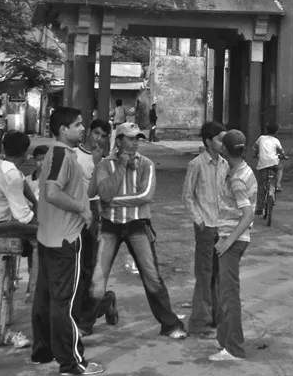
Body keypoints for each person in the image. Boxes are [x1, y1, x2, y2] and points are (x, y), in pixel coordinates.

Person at [92, 122, 186, 340]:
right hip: (110, 226)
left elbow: (145, 196)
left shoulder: (147, 164)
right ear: (119, 141)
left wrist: (111, 202)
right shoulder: (105, 164)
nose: (135, 143)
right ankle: (86, 323)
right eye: (130, 138)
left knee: (152, 276)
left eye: (137, 138)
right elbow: (104, 192)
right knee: (98, 275)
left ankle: (170, 324)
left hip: (137, 225)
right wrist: (122, 166)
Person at [30, 106, 103, 376]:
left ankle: (43, 350)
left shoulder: (55, 154)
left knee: (47, 298)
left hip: (50, 236)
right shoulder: (61, 155)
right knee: (65, 303)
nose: (83, 129)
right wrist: (82, 209)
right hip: (65, 239)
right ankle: (72, 362)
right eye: (78, 125)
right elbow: (51, 193)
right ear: (63, 129)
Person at [208, 129, 257, 361]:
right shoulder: (243, 170)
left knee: (229, 295)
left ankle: (234, 348)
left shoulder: (237, 179)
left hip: (232, 239)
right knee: (224, 291)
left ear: (226, 150)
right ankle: (224, 340)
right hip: (235, 238)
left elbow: (247, 214)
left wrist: (226, 242)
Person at [182, 120, 228, 336]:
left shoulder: (225, 165)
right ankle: (200, 322)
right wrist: (199, 221)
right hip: (205, 226)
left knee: (219, 274)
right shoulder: (197, 164)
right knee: (204, 273)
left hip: (221, 227)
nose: (223, 142)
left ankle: (216, 318)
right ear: (209, 141)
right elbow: (188, 196)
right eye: (220, 139)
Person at [74, 120, 117, 336]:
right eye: (96, 133)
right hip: (74, 210)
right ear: (89, 133)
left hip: (98, 211)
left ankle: (85, 322)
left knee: (93, 268)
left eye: (103, 135)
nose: (98, 138)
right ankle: (104, 303)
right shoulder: (74, 154)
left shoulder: (109, 161)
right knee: (77, 267)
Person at [253, 122, 287, 210]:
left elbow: (255, 148)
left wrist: (256, 154)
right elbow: (281, 151)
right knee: (280, 168)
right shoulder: (276, 140)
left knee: (261, 185)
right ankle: (278, 184)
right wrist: (284, 156)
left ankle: (259, 207)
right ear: (276, 132)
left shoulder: (261, 138)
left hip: (263, 163)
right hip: (274, 162)